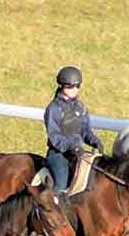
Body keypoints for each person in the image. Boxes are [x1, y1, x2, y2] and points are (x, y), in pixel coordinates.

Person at [43, 66, 100, 194]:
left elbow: (85, 130)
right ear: (62, 86)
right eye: (70, 87)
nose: (74, 90)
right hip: (59, 154)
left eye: (77, 86)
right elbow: (55, 137)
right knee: (61, 184)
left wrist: (94, 140)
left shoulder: (81, 107)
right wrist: (72, 145)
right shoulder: (53, 109)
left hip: (77, 152)